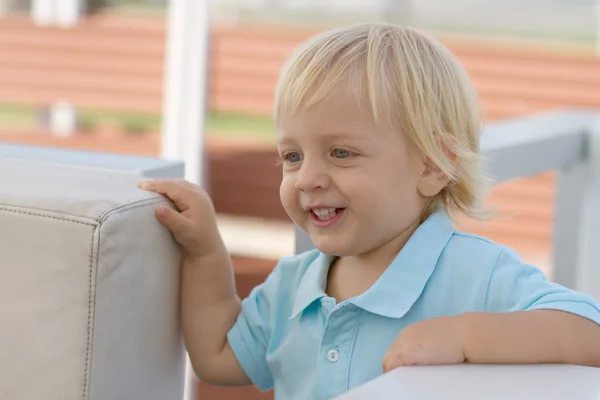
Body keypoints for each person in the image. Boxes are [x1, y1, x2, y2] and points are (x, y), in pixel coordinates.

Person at [138, 22, 600, 399]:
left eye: (341, 153)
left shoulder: (476, 274)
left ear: (433, 166)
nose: (307, 178)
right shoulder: (293, 288)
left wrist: (463, 337)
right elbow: (218, 357)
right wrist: (204, 254)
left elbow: (589, 333)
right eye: (292, 156)